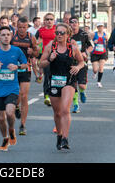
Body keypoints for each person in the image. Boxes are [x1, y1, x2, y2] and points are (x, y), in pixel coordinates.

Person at [40, 22, 84, 151]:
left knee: (65, 109)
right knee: (57, 113)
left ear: (68, 34)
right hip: (54, 81)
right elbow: (40, 64)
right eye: (57, 33)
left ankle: (65, 138)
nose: (59, 35)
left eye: (62, 33)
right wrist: (49, 60)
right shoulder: (50, 47)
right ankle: (59, 135)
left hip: (69, 80)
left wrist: (77, 67)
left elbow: (82, 62)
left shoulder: (73, 47)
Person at [0, 26, 28, 151]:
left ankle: (11, 129)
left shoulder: (17, 51)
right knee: (0, 118)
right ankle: (5, 137)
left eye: (7, 35)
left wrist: (18, 66)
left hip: (12, 88)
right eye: (3, 35)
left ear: (11, 37)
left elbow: (26, 64)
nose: (5, 37)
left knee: (10, 112)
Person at [11, 16, 39, 135]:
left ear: (27, 27)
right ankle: (16, 106)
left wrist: (32, 52)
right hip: (13, 69)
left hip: (26, 69)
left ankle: (22, 124)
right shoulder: (12, 37)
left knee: (23, 95)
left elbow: (37, 52)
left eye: (24, 27)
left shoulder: (30, 37)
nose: (22, 29)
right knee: (16, 95)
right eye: (20, 27)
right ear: (17, 27)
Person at [70, 16, 93, 113]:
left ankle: (82, 92)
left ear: (78, 23)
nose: (74, 24)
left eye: (75, 22)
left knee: (82, 85)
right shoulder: (67, 35)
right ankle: (76, 105)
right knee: (73, 85)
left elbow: (91, 46)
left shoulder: (83, 34)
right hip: (71, 63)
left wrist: (86, 53)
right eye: (72, 22)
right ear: (69, 24)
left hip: (82, 62)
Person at [36, 13, 56, 106]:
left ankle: (55, 95)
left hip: (56, 56)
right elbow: (36, 42)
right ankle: (46, 96)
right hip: (45, 56)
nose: (49, 21)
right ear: (44, 21)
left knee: (55, 77)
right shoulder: (40, 30)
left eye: (51, 19)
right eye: (47, 19)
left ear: (54, 21)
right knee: (47, 76)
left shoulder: (57, 29)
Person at [90, 23, 108, 88]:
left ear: (103, 27)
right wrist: (93, 42)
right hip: (95, 53)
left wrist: (107, 40)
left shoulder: (105, 34)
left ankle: (99, 82)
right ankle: (95, 73)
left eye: (101, 27)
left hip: (102, 53)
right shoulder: (93, 34)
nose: (100, 28)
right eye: (99, 27)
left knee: (101, 68)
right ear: (97, 28)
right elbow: (89, 42)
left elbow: (107, 44)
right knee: (95, 69)